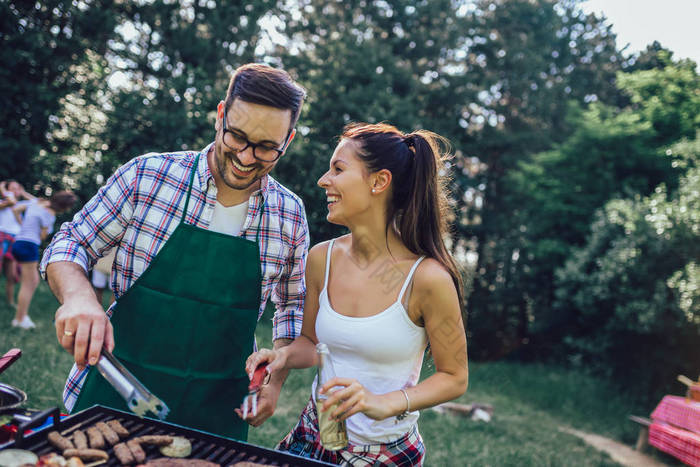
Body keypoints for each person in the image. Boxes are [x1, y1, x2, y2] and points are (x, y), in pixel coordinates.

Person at [40, 63, 309, 440]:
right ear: (220, 115)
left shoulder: (289, 215)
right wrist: (79, 298)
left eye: (266, 147)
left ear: (289, 140)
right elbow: (71, 243)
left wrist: (275, 381)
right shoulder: (147, 176)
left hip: (217, 411)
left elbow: (293, 306)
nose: (246, 158)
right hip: (116, 393)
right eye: (236, 136)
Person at [245, 123, 469, 465]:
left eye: (338, 169)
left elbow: (454, 378)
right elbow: (310, 342)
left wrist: (385, 402)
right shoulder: (322, 258)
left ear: (378, 182)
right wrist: (283, 358)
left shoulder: (428, 279)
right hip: (311, 438)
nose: (323, 180)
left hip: (384, 454)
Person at [11, 191, 77, 329]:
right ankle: (19, 319)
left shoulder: (37, 202)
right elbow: (42, 236)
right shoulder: (50, 214)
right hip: (29, 244)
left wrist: (22, 223)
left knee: (31, 281)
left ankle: (21, 315)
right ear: (63, 207)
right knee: (29, 283)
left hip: (18, 242)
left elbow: (16, 209)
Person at [0, 180, 36, 309]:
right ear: (6, 191)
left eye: (17, 188)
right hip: (2, 238)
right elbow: (11, 202)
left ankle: (10, 302)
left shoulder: (20, 206)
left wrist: (24, 193)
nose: (15, 191)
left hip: (15, 241)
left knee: (12, 275)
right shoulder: (3, 203)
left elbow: (37, 203)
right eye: (12, 188)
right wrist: (2, 190)